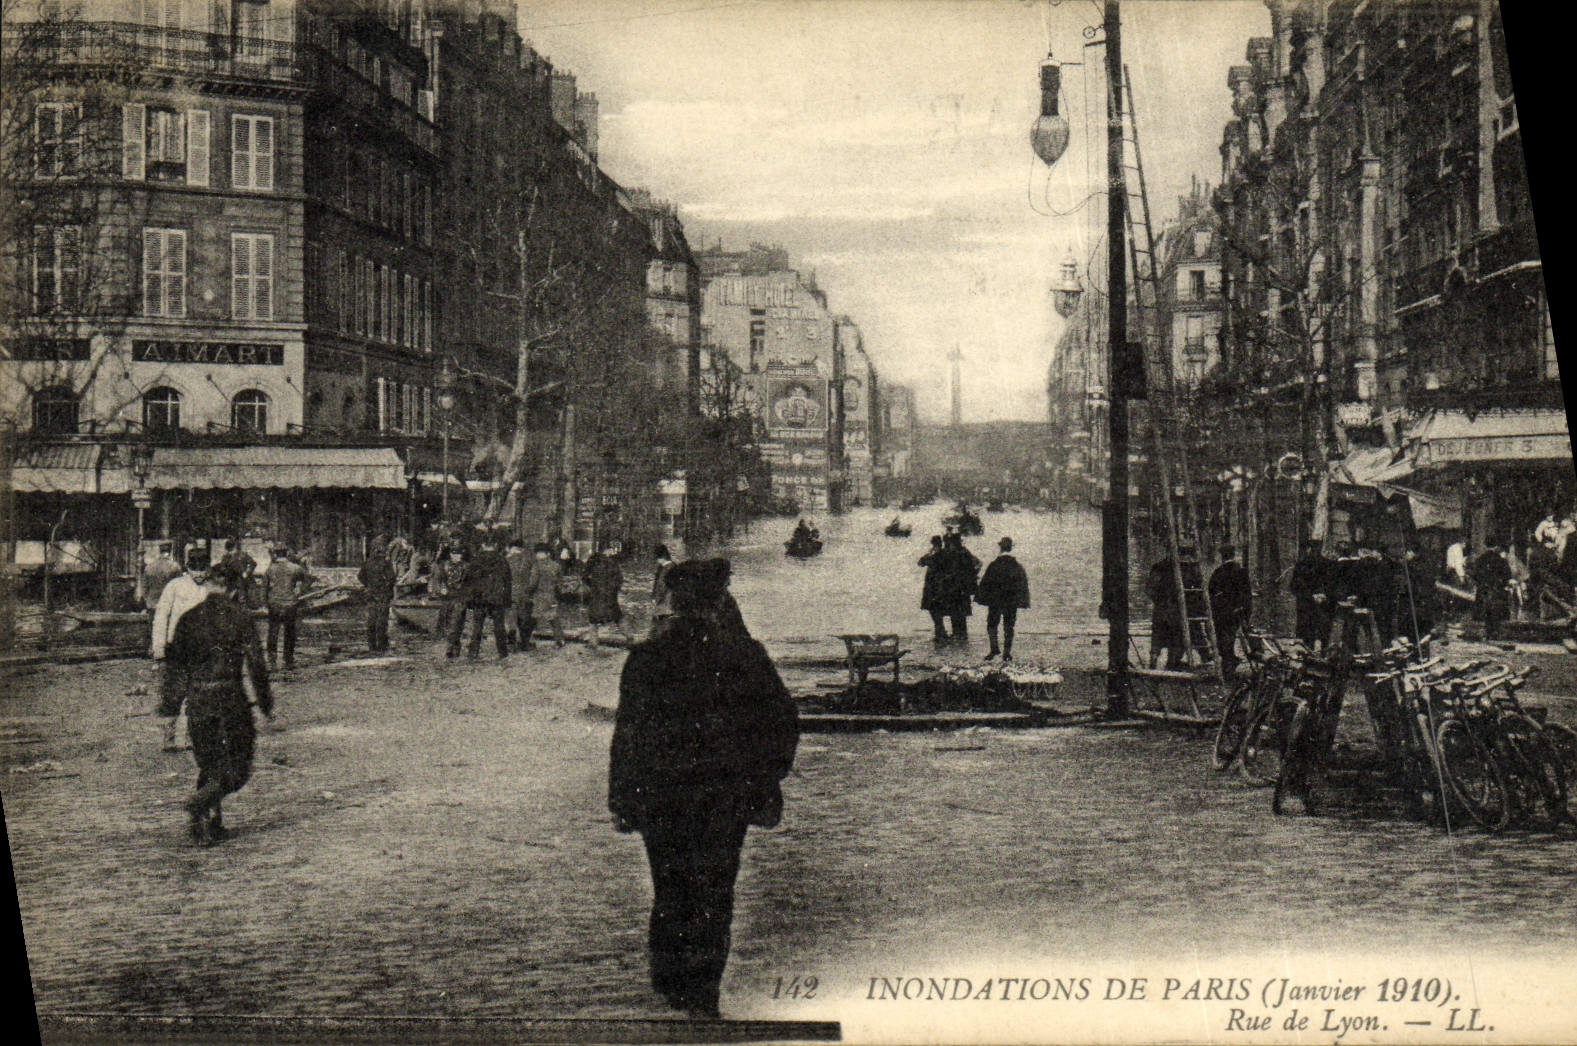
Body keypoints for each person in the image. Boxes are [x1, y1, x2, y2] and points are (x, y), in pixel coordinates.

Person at [608, 558, 799, 1020]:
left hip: (662, 799)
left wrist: (622, 798)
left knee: (671, 888)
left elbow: (628, 734)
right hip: (724, 799)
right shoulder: (745, 655)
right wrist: (764, 783)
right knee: (715, 893)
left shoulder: (647, 658)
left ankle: (673, 987)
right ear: (719, 602)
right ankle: (703, 999)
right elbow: (782, 725)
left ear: (674, 602)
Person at [158, 557, 272, 846]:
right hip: (230, 699)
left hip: (198, 700)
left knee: (208, 764)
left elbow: (175, 667)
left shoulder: (188, 619)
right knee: (238, 767)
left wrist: (171, 705)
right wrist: (265, 701)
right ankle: (200, 804)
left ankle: (206, 825)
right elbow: (256, 663)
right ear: (234, 590)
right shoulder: (241, 618)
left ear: (206, 587)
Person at [152, 542, 213, 751]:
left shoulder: (210, 590)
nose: (199, 574)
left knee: (197, 696)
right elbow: (161, 616)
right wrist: (159, 648)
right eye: (195, 569)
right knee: (172, 694)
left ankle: (189, 738)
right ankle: (168, 738)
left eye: (203, 570)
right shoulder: (175, 586)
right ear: (187, 568)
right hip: (176, 650)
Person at [975, 536, 1030, 661]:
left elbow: (985, 584)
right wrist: (1022, 601)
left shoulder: (993, 565)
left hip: (995, 602)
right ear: (1011, 548)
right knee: (1009, 626)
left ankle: (994, 650)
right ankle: (1007, 653)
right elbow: (1023, 585)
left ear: (1000, 548)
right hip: (1011, 602)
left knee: (992, 624)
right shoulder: (1017, 566)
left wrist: (982, 598)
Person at [457, 534, 511, 660]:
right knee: (499, 626)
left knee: (477, 626)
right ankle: (502, 653)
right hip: (497, 598)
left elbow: (468, 581)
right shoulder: (502, 560)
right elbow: (507, 581)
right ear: (496, 545)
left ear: (482, 545)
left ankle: (473, 652)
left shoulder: (476, 560)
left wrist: (469, 600)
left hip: (479, 598)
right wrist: (507, 600)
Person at [261, 544, 312, 670]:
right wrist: (299, 590)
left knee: (273, 630)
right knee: (290, 631)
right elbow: (307, 580)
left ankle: (271, 658)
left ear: (275, 554)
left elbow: (264, 588)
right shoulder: (295, 568)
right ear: (287, 553)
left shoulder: (270, 569)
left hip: (275, 603)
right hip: (290, 603)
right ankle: (288, 658)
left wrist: (264, 603)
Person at [1207, 543, 1253, 675]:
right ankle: (1232, 661)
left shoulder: (1218, 572)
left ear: (1222, 557)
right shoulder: (1241, 572)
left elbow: (1211, 592)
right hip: (1238, 611)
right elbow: (1247, 594)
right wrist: (1246, 611)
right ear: (1234, 555)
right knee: (1232, 636)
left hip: (1222, 612)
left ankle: (1228, 662)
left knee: (1223, 638)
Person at [937, 532, 979, 643]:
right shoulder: (963, 552)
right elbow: (978, 564)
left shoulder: (957, 553)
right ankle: (960, 634)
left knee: (955, 610)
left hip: (955, 586)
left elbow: (977, 564)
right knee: (959, 611)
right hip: (960, 587)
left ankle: (959, 634)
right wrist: (971, 575)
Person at [523, 542, 566, 649]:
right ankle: (560, 640)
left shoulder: (537, 566)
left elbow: (533, 583)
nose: (538, 555)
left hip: (540, 596)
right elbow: (560, 582)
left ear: (547, 554)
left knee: (532, 619)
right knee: (553, 619)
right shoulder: (556, 566)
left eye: (539, 553)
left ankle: (526, 641)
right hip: (552, 596)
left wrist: (527, 591)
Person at [584, 543, 626, 651]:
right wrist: (613, 590)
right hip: (609, 596)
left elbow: (584, 576)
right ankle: (629, 637)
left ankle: (593, 642)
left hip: (596, 594)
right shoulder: (613, 563)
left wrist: (592, 585)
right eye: (611, 550)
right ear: (607, 550)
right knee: (617, 617)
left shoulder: (592, 561)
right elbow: (619, 580)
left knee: (593, 619)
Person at [358, 535, 396, 654]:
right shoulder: (386, 563)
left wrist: (368, 585)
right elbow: (392, 578)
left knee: (371, 619)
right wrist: (386, 588)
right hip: (382, 594)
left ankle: (372, 645)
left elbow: (360, 576)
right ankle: (382, 645)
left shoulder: (367, 563)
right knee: (382, 620)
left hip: (371, 594)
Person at [1288, 540, 1329, 650]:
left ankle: (1322, 655)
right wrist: (1310, 596)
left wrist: (1324, 594)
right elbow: (1294, 586)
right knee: (1306, 631)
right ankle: (1306, 654)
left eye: (1317, 549)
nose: (1314, 551)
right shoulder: (1301, 565)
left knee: (1323, 631)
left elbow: (1330, 583)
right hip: (1305, 605)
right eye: (1312, 549)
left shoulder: (1326, 564)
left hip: (1322, 604)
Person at [1470, 543, 1512, 640]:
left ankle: (1486, 633)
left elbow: (1475, 574)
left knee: (1485, 612)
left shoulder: (1480, 559)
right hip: (1496, 589)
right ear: (1496, 546)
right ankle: (1495, 633)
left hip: (1483, 589)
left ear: (1485, 545)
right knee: (1496, 612)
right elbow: (1507, 574)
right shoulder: (1500, 559)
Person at [918, 536, 948, 643]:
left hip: (936, 585)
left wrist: (930, 554)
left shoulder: (940, 554)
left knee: (935, 608)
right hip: (933, 585)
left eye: (935, 544)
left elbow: (923, 562)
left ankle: (940, 633)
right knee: (934, 609)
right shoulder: (936, 554)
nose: (935, 546)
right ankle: (941, 631)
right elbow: (920, 562)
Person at [506, 537, 532, 648]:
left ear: (510, 548)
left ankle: (511, 641)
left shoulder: (506, 560)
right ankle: (524, 642)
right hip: (524, 592)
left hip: (510, 592)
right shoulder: (528, 560)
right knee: (524, 616)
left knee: (511, 617)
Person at [218, 538, 257, 605]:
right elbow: (222, 568)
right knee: (229, 600)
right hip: (232, 581)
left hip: (245, 581)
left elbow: (253, 563)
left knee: (244, 599)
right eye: (229, 550)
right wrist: (228, 572)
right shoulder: (225, 557)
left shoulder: (243, 555)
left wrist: (247, 572)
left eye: (232, 550)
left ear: (235, 548)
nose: (230, 552)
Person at [650, 544, 675, 639]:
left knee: (657, 627)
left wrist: (655, 599)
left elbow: (660, 586)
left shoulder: (664, 569)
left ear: (660, 558)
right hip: (672, 603)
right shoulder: (674, 565)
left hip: (664, 603)